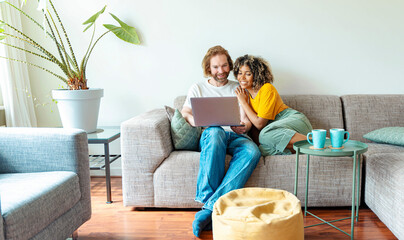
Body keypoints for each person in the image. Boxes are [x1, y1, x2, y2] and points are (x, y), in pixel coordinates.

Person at [181, 46, 261, 237]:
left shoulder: (238, 87)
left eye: (225, 65)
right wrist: (197, 121)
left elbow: (247, 120)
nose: (221, 70)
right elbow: (186, 112)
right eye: (216, 67)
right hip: (212, 135)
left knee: (253, 152)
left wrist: (244, 127)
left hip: (235, 136)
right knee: (215, 132)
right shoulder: (198, 87)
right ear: (209, 68)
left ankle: (209, 208)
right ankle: (210, 205)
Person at [233, 54, 313, 156]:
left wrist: (243, 102)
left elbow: (259, 124)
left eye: (248, 74)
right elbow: (254, 128)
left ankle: (318, 140)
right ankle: (305, 148)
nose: (242, 77)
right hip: (276, 133)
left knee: (264, 135)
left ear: (257, 75)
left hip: (293, 122)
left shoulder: (267, 88)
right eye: (240, 73)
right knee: (261, 150)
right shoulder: (246, 95)